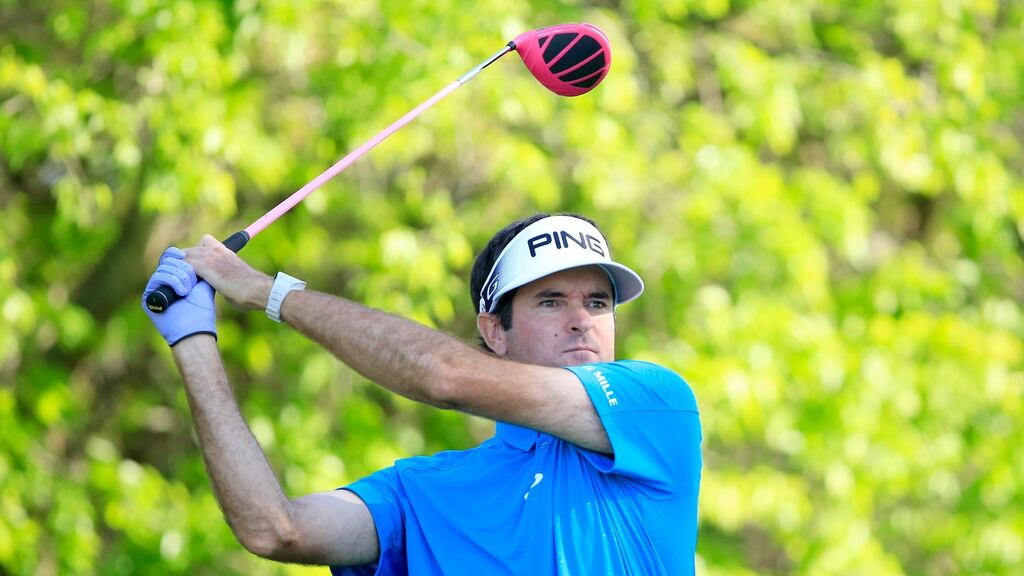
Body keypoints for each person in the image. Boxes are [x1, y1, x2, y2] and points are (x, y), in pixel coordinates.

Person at [142, 213, 702, 574]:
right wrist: (193, 340)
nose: (582, 321)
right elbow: (275, 528)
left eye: (598, 303)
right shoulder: (421, 491)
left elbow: (444, 376)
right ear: (493, 330)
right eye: (551, 301)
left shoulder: (656, 406)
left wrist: (267, 291)